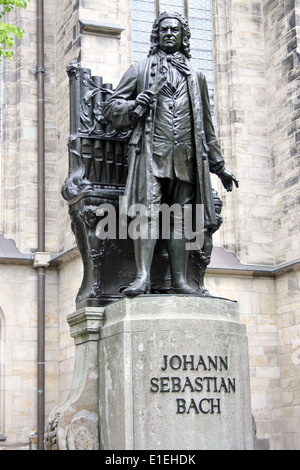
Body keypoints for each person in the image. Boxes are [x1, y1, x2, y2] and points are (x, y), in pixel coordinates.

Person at [103, 12, 238, 297]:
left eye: (174, 30)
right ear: (156, 35)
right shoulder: (140, 69)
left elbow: (207, 126)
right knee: (148, 213)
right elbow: (110, 107)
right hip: (150, 154)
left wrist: (219, 165)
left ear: (183, 36)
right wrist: (133, 105)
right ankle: (142, 278)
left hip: (186, 157)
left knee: (181, 218)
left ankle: (180, 280)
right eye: (163, 29)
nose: (168, 34)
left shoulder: (196, 76)